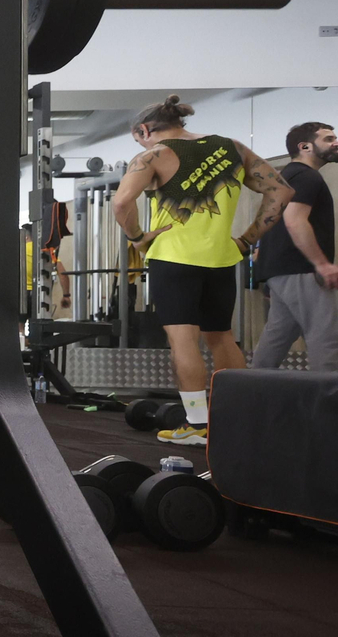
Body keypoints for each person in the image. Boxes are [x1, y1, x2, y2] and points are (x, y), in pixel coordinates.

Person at [112, 95, 293, 445]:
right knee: (221, 336)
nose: (141, 143)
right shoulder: (232, 148)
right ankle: (240, 417)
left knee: (183, 339)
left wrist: (137, 238)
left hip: (173, 258)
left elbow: (121, 202)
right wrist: (247, 239)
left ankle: (197, 425)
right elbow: (281, 190)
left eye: (139, 138)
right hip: (222, 258)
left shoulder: (153, 155)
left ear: (144, 130)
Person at [251, 121, 338, 371]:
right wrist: (322, 264)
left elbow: (267, 223)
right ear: (305, 146)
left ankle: (256, 395)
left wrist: (268, 272)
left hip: (282, 272)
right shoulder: (307, 176)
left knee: (277, 338)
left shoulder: (284, 177)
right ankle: (327, 406)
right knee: (326, 337)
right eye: (329, 138)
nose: (336, 142)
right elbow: (294, 220)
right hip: (301, 271)